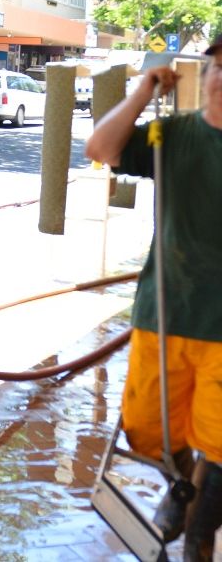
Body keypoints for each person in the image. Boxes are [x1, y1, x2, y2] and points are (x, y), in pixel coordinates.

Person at [86, 35, 222, 561]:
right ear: (204, 76)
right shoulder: (172, 135)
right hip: (165, 314)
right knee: (150, 430)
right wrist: (144, 90)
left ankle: (198, 534)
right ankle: (181, 489)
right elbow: (100, 150)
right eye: (217, 65)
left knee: (221, 440)